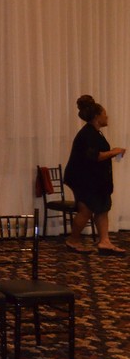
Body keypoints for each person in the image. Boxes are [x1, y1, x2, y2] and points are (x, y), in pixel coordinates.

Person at [63, 95, 126, 254]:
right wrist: (114, 152)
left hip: (96, 179)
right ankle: (73, 240)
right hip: (84, 179)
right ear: (97, 117)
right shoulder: (87, 134)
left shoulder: (95, 133)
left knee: (103, 208)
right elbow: (94, 156)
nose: (107, 116)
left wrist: (112, 152)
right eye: (104, 114)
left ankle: (105, 241)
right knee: (86, 210)